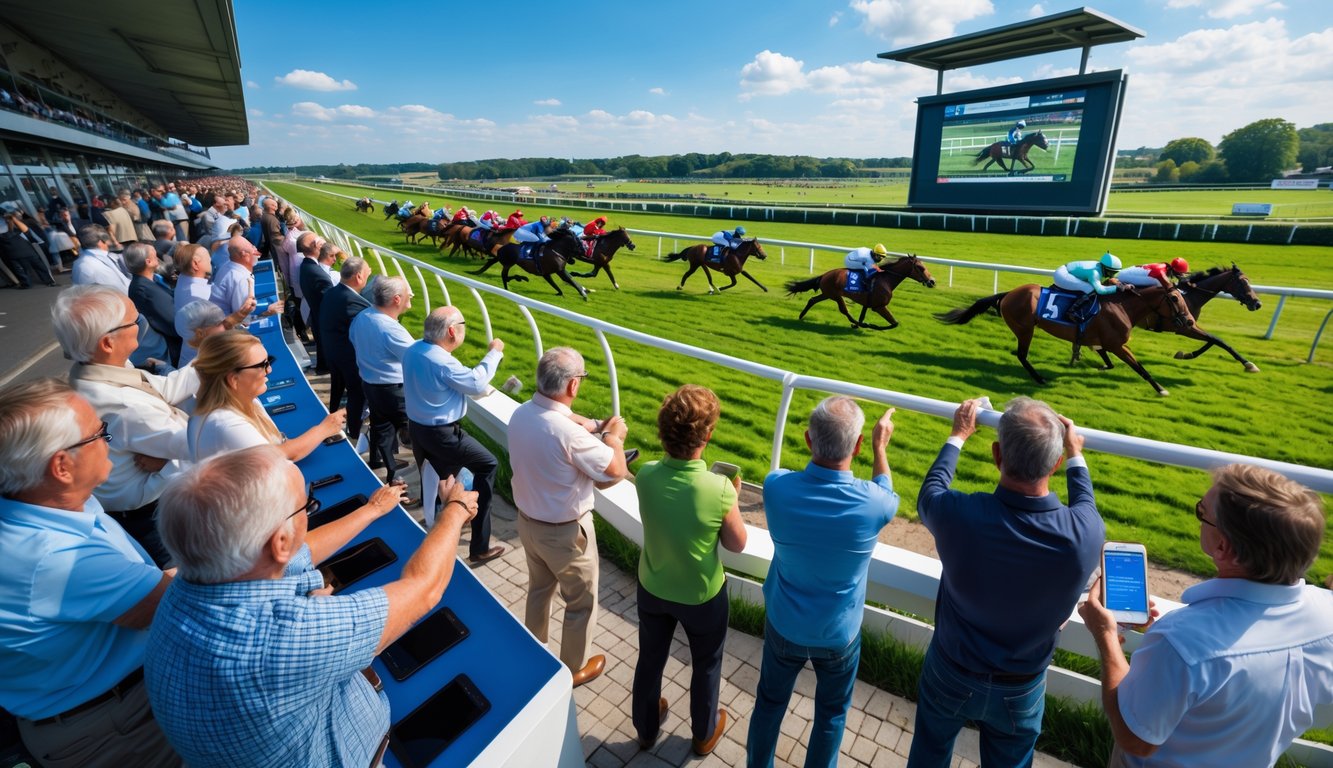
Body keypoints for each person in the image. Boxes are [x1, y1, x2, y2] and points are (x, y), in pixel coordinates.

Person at [146, 444, 478, 768]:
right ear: (279, 542)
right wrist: (456, 510)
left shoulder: (184, 588)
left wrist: (372, 510)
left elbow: (299, 553)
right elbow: (423, 589)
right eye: (306, 507)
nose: (307, 514)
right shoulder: (285, 636)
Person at [1078, 464, 1332, 768]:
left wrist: (1105, 635)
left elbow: (1135, 738)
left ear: (1223, 546)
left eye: (1202, 512)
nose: (1199, 518)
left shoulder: (1180, 642)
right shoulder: (1326, 615)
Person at [906, 397, 1103, 768]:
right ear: (1056, 463)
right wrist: (1076, 454)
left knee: (928, 756)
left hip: (952, 668)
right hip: (1021, 686)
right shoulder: (1084, 534)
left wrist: (958, 435)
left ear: (997, 455)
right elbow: (1085, 505)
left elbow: (930, 492)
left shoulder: (960, 514)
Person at [0, 379, 179, 768]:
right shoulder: (59, 559)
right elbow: (176, 600)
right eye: (99, 433)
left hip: (101, 709)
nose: (109, 441)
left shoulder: (43, 506)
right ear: (62, 467)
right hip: (117, 727)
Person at [747, 397, 898, 768]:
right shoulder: (874, 504)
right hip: (838, 634)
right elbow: (885, 489)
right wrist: (881, 448)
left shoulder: (776, 487)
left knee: (769, 703)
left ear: (808, 440)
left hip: (785, 625)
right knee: (831, 714)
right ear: (858, 445)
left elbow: (787, 479)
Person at [633, 385, 747, 756]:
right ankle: (703, 733)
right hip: (702, 596)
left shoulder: (647, 474)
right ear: (708, 434)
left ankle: (646, 729)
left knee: (650, 658)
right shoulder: (719, 488)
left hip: (652, 587)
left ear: (663, 432)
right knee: (706, 664)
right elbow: (737, 543)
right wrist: (733, 497)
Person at [508, 347, 631, 686]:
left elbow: (558, 420)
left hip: (528, 523)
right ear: (573, 386)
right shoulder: (569, 435)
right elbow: (616, 469)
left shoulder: (522, 413)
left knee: (539, 589)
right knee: (581, 602)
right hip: (565, 535)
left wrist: (592, 425)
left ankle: (534, 649)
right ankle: (573, 669)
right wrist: (612, 437)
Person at [52, 285, 200, 566]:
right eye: (134, 320)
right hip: (156, 515)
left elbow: (164, 389)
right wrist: (172, 464)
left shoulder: (96, 372)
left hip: (144, 507)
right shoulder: (124, 405)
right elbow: (201, 446)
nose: (140, 322)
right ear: (108, 342)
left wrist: (210, 359)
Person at [404, 307, 506, 564]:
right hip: (443, 434)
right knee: (488, 464)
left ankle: (444, 520)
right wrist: (494, 353)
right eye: (462, 325)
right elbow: (476, 383)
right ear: (452, 331)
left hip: (418, 428)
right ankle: (479, 546)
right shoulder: (442, 362)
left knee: (441, 474)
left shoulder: (414, 349)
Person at [186, 330, 345, 462]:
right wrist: (324, 429)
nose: (269, 370)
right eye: (262, 365)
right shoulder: (225, 425)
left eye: (269, 361)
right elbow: (280, 457)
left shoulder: (248, 400)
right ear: (234, 380)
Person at [349, 276, 415, 485]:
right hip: (395, 391)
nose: (411, 296)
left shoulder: (362, 316)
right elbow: (417, 359)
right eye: (408, 293)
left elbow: (352, 339)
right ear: (396, 299)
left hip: (370, 385)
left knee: (382, 428)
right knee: (419, 435)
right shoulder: (390, 328)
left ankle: (389, 470)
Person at [319, 256, 373, 442]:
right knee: (357, 394)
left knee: (338, 390)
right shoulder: (352, 301)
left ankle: (331, 420)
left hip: (333, 353)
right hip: (348, 359)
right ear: (358, 277)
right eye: (367, 275)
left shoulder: (332, 293)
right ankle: (354, 435)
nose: (368, 279)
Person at [1053, 252, 1128, 355]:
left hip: (1067, 270)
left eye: (1114, 273)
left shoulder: (1100, 267)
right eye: (1111, 272)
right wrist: (1117, 288)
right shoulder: (1095, 273)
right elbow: (1100, 290)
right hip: (1062, 275)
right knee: (1090, 289)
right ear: (1105, 268)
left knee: (1089, 288)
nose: (1112, 275)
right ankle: (1072, 312)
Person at [125, 243, 182, 368]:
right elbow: (174, 322)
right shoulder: (145, 289)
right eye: (155, 256)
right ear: (148, 261)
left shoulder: (150, 281)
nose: (158, 258)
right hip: (171, 349)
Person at [297, 233, 333, 374]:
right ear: (315, 246)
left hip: (316, 313)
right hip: (323, 315)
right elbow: (331, 299)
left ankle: (324, 366)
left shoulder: (307, 265)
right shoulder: (315, 271)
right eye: (319, 240)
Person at [0, 205, 56, 288]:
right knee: (37, 266)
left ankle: (27, 284)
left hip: (13, 251)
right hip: (25, 249)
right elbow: (25, 230)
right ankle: (48, 281)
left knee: (21, 270)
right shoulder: (11, 222)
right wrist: (12, 218)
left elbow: (25, 230)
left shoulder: (9, 224)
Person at [1117, 258, 1190, 290]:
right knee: (1159, 286)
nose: (1183, 275)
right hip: (1123, 276)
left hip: (1126, 272)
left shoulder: (1164, 267)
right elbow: (1169, 287)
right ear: (1176, 271)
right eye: (1182, 273)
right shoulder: (1161, 272)